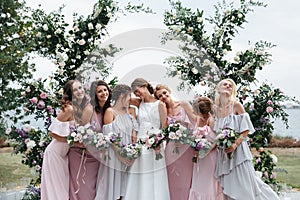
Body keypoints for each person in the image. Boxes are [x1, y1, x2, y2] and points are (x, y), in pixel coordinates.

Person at [213, 78, 280, 200]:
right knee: (229, 184)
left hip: (239, 153)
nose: (228, 86)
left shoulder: (236, 105)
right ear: (218, 88)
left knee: (246, 184)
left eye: (230, 85)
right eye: (225, 84)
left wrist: (234, 145)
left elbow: (246, 130)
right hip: (224, 154)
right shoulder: (215, 109)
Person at [124, 78, 170, 200]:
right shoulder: (139, 103)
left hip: (156, 144)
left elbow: (164, 127)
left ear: (144, 86)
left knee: (155, 173)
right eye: (135, 93)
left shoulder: (160, 104)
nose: (137, 94)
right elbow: (122, 97)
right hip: (140, 142)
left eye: (137, 91)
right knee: (139, 172)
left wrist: (159, 142)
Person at [97, 84, 138, 200]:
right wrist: (121, 156)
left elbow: (134, 134)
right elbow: (109, 137)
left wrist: (133, 153)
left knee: (126, 189)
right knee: (113, 188)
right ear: (121, 96)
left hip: (128, 154)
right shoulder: (110, 112)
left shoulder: (131, 112)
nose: (130, 98)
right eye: (129, 96)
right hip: (114, 155)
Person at [154, 84, 194, 200]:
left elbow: (195, 121)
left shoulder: (183, 104)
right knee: (172, 178)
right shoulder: (164, 110)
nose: (163, 96)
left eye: (164, 93)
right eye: (160, 96)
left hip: (186, 147)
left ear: (169, 91)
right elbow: (164, 130)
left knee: (187, 178)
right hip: (172, 148)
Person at [181, 96, 224, 200]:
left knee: (208, 182)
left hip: (210, 157)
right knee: (199, 181)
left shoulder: (211, 121)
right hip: (199, 157)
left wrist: (208, 150)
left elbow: (218, 139)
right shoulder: (198, 119)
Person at [41, 80, 76, 200]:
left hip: (64, 154)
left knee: (62, 187)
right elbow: (52, 132)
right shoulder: (69, 109)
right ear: (70, 92)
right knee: (56, 189)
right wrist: (70, 141)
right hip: (55, 153)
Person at [68, 80, 99, 200]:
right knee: (76, 183)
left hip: (85, 151)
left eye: (80, 88)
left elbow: (82, 132)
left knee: (86, 185)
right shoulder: (72, 107)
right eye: (75, 90)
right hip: (75, 152)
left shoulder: (88, 107)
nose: (79, 91)